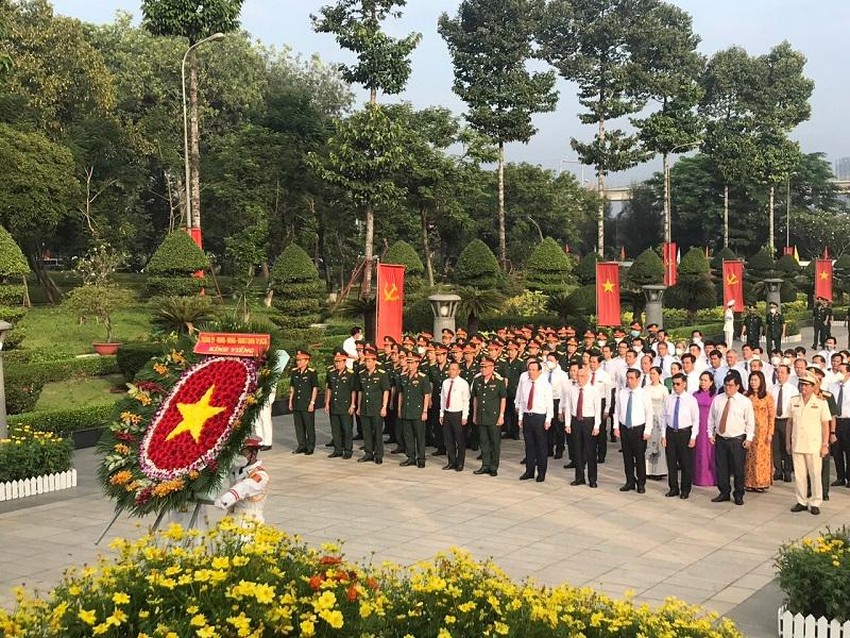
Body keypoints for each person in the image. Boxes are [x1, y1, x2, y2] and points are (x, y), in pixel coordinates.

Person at [786, 371, 831, 515]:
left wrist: (825, 444)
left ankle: (816, 501)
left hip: (813, 444)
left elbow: (825, 425)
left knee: (815, 474)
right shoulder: (794, 401)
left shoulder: (820, 402)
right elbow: (790, 422)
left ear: (813, 387)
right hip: (798, 442)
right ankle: (801, 501)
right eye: (802, 384)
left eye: (806, 385)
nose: (803, 387)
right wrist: (788, 442)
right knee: (799, 475)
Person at [708, 372, 755, 506]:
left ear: (738, 386)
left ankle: (739, 494)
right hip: (721, 439)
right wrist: (710, 434)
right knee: (722, 468)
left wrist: (749, 438)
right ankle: (724, 492)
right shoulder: (718, 399)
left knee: (738, 468)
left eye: (731, 385)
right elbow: (711, 418)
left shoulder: (744, 401)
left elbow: (750, 421)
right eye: (726, 385)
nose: (728, 388)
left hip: (737, 440)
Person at [614, 368, 654, 493]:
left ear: (638, 379)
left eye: (632, 378)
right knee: (627, 457)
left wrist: (647, 430)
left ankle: (641, 483)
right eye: (628, 378)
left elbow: (649, 413)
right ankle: (630, 481)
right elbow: (617, 411)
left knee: (639, 457)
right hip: (625, 427)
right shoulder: (622, 393)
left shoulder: (643, 394)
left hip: (638, 428)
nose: (629, 380)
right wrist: (616, 427)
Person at [214, 437, 269, 525]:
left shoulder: (261, 474)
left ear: (253, 453)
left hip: (250, 520)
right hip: (231, 517)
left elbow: (245, 486)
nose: (238, 456)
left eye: (242, 453)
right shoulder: (236, 470)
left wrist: (227, 498)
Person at [662, 372, 700, 499]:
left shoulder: (691, 400)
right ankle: (673, 487)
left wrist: (693, 436)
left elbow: (696, 420)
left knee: (685, 463)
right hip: (671, 432)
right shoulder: (669, 398)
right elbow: (664, 417)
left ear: (684, 384)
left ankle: (685, 489)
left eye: (678, 384)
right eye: (673, 384)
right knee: (671, 462)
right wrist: (663, 435)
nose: (675, 386)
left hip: (685, 432)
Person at [564, 366, 603, 488]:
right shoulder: (572, 390)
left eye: (582, 376)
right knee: (577, 450)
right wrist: (567, 424)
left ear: (588, 377)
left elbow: (598, 410)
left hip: (588, 421)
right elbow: (568, 408)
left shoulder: (594, 390)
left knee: (590, 451)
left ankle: (592, 479)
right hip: (576, 421)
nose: (579, 378)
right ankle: (579, 477)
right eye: (578, 376)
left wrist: (597, 426)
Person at [516, 358, 553, 482]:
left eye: (533, 370)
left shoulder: (545, 385)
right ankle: (529, 471)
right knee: (529, 446)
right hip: (528, 416)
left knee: (541, 446)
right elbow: (522, 401)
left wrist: (548, 419)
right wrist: (520, 417)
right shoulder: (525, 383)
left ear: (539, 371)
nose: (531, 372)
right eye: (529, 370)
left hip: (539, 417)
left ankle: (541, 472)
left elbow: (549, 404)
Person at [471, 356, 507, 477]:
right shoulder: (477, 381)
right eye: (481, 367)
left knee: (495, 443)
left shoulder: (498, 381)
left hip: (493, 416)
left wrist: (501, 415)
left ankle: (493, 466)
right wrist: (475, 414)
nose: (483, 369)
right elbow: (475, 399)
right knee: (484, 442)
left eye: (485, 367)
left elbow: (503, 399)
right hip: (481, 416)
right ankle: (485, 465)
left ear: (492, 368)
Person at [397, 352, 431, 468]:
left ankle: (421, 458)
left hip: (417, 411)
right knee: (408, 436)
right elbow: (401, 393)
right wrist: (399, 408)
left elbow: (426, 395)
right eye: (409, 362)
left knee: (420, 436)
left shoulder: (423, 377)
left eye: (412, 362)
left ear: (417, 363)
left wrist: (425, 411)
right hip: (406, 410)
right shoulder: (403, 376)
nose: (410, 365)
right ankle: (410, 457)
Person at [356, 347, 390, 464]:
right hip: (365, 407)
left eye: (369, 361)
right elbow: (360, 391)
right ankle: (368, 453)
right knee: (366, 432)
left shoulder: (382, 374)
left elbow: (386, 391)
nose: (367, 363)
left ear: (375, 361)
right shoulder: (362, 374)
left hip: (376, 407)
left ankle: (379, 454)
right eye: (365, 361)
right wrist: (359, 407)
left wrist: (384, 406)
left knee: (377, 432)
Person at [744, 370, 775, 492]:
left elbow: (771, 416)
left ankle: (761, 482)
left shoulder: (767, 397)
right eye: (751, 380)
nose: (753, 382)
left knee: (760, 457)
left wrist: (770, 432)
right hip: (749, 430)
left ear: (761, 381)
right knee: (749, 457)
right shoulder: (746, 396)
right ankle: (749, 482)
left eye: (756, 380)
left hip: (762, 431)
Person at [252, 349, 289, 450]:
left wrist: (268, 399)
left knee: (265, 419)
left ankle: (268, 442)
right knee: (257, 420)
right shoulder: (257, 371)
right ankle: (260, 440)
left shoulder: (271, 373)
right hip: (256, 398)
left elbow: (272, 387)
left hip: (265, 399)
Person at [324, 349, 357, 459]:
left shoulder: (350, 374)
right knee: (335, 429)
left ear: (344, 361)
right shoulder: (331, 373)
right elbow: (329, 389)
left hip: (345, 405)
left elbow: (353, 390)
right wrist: (327, 403)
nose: (337, 364)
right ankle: (337, 450)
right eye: (336, 361)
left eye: (340, 361)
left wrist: (353, 405)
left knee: (347, 429)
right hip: (334, 404)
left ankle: (348, 450)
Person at [440, 361, 470, 472]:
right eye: (450, 369)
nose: (451, 371)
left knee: (460, 440)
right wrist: (441, 413)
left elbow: (466, 400)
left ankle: (460, 462)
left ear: (458, 371)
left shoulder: (463, 383)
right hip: (447, 412)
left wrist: (465, 416)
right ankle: (451, 461)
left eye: (454, 369)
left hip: (458, 413)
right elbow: (443, 398)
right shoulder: (445, 382)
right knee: (448, 439)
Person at [288, 349, 319, 455]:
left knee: (309, 425)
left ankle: (310, 446)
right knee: (299, 426)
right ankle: (301, 445)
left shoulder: (311, 372)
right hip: (297, 402)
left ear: (307, 361)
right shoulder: (294, 372)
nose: (298, 362)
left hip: (307, 403)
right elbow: (292, 388)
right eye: (298, 360)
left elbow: (314, 388)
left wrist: (312, 402)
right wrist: (290, 401)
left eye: (301, 360)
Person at [772, 363, 798, 483]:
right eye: (778, 372)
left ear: (788, 374)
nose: (779, 375)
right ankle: (778, 470)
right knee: (775, 447)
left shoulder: (793, 389)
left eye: (782, 372)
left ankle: (788, 471)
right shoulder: (772, 388)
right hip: (775, 420)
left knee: (787, 446)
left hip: (787, 420)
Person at [644, 366, 669, 480]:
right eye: (650, 373)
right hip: (648, 417)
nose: (651, 375)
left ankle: (659, 471)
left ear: (659, 375)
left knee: (658, 445)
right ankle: (648, 470)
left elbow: (666, 404)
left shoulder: (663, 389)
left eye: (654, 373)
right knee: (649, 444)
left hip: (659, 418)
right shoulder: (645, 388)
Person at [693, 371, 717, 487]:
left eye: (705, 380)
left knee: (708, 452)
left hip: (709, 426)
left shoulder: (715, 396)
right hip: (697, 426)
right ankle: (697, 477)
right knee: (697, 452)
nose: (702, 382)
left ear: (711, 382)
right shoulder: (695, 395)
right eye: (701, 380)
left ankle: (710, 478)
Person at [830, 362, 850, 488]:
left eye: (841, 371)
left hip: (848, 421)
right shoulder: (832, 386)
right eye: (838, 371)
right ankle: (840, 477)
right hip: (835, 421)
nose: (839, 374)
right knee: (837, 451)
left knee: (849, 451)